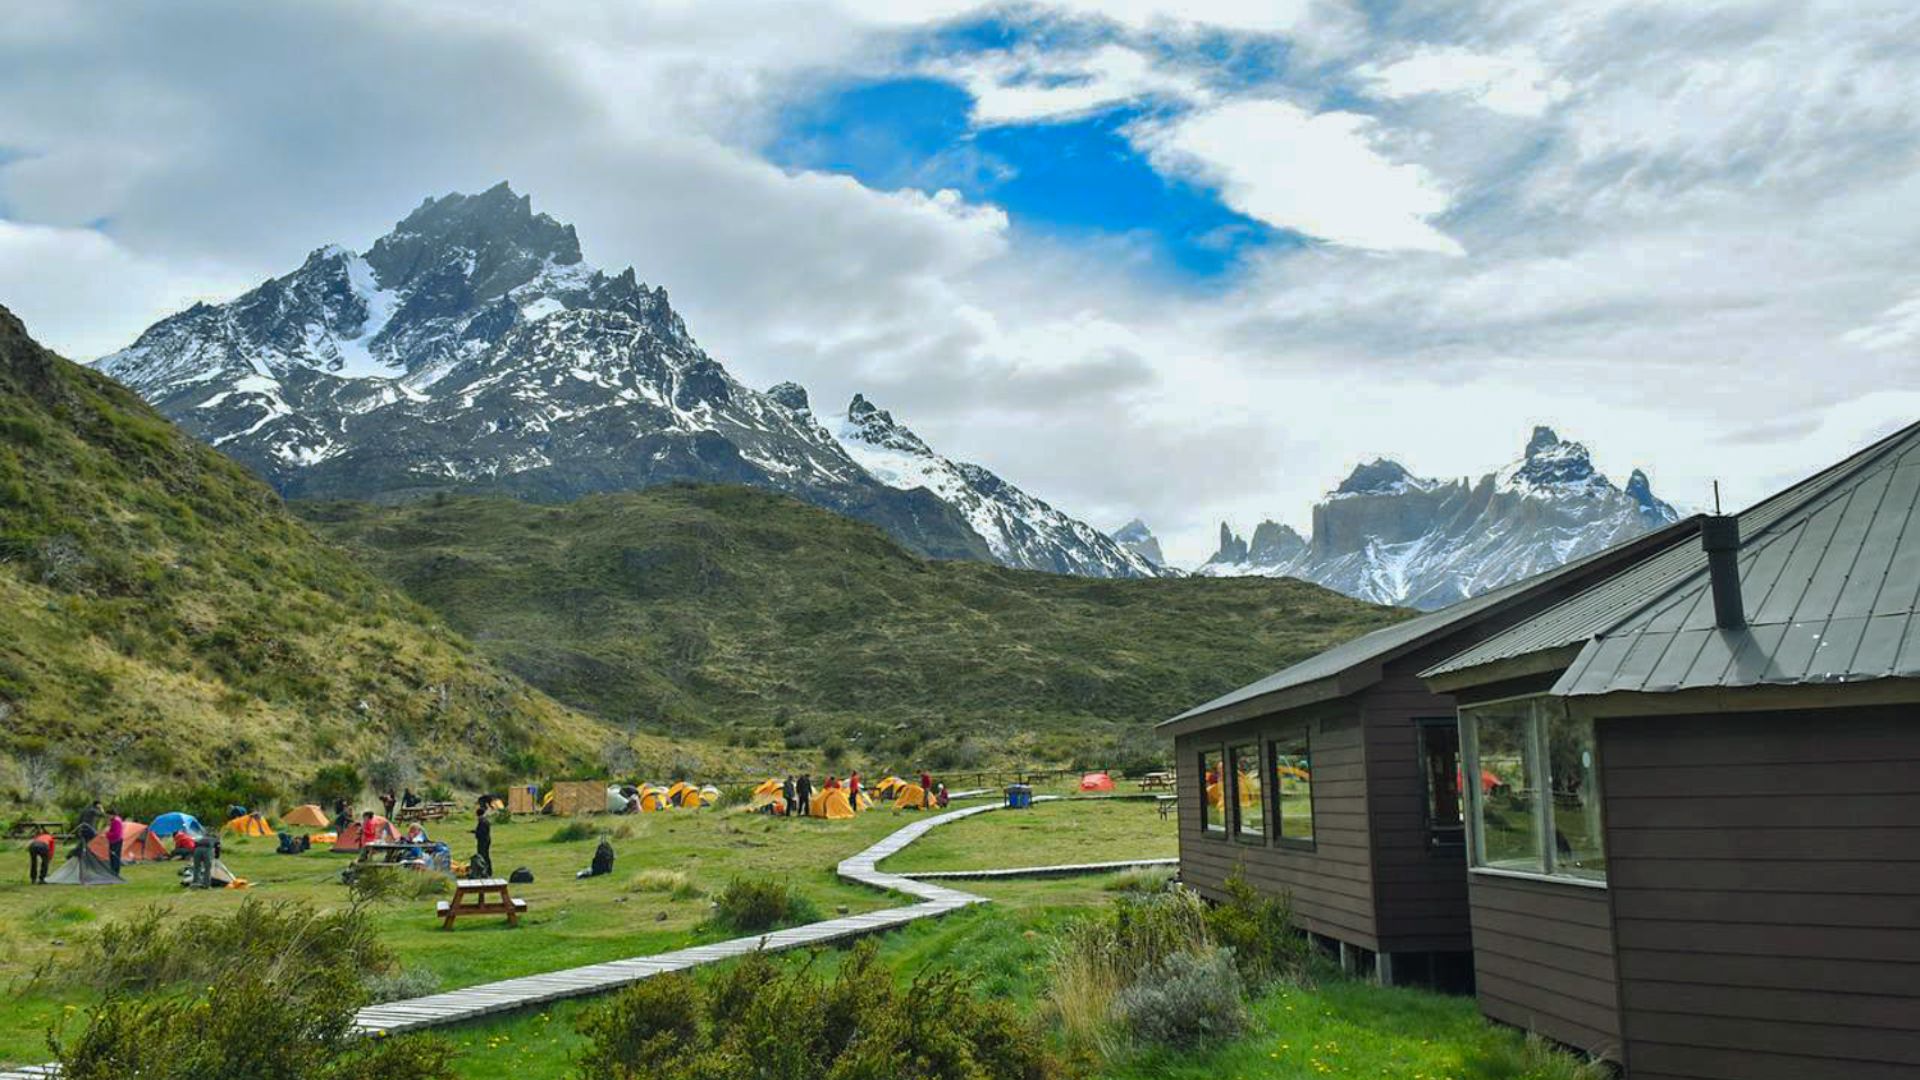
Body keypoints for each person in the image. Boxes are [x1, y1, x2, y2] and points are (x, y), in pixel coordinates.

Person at [471, 806, 493, 877]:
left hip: (483, 841)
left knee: (482, 856)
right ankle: (488, 871)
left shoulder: (482, 821)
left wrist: (476, 832)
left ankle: (485, 871)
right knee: (486, 855)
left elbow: (481, 832)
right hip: (487, 840)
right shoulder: (485, 820)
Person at [105, 810, 125, 875]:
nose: (107, 817)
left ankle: (115, 872)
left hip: (116, 841)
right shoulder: (114, 820)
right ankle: (113, 871)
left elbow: (116, 834)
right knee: (113, 857)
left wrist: (107, 834)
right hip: (114, 841)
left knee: (115, 857)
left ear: (112, 815)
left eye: (108, 815)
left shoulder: (116, 821)